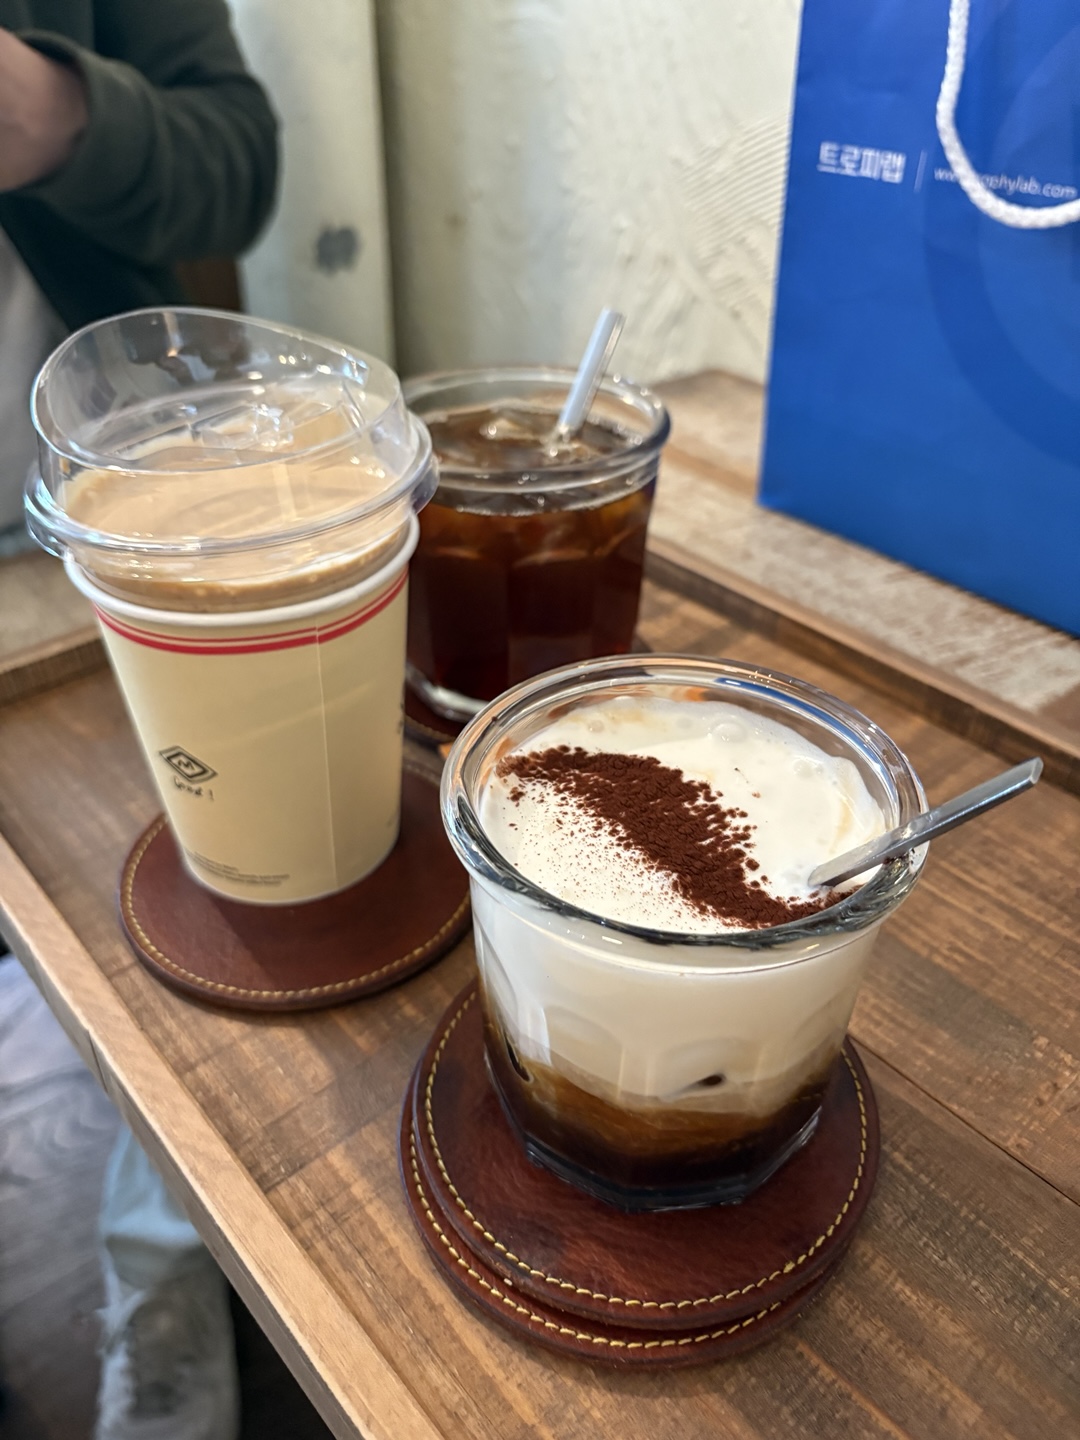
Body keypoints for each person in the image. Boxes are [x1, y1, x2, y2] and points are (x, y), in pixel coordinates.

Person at [0, 6, 278, 1437]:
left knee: (190, 915)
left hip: (122, 518)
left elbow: (239, 165)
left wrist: (54, 111)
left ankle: (168, 1302)